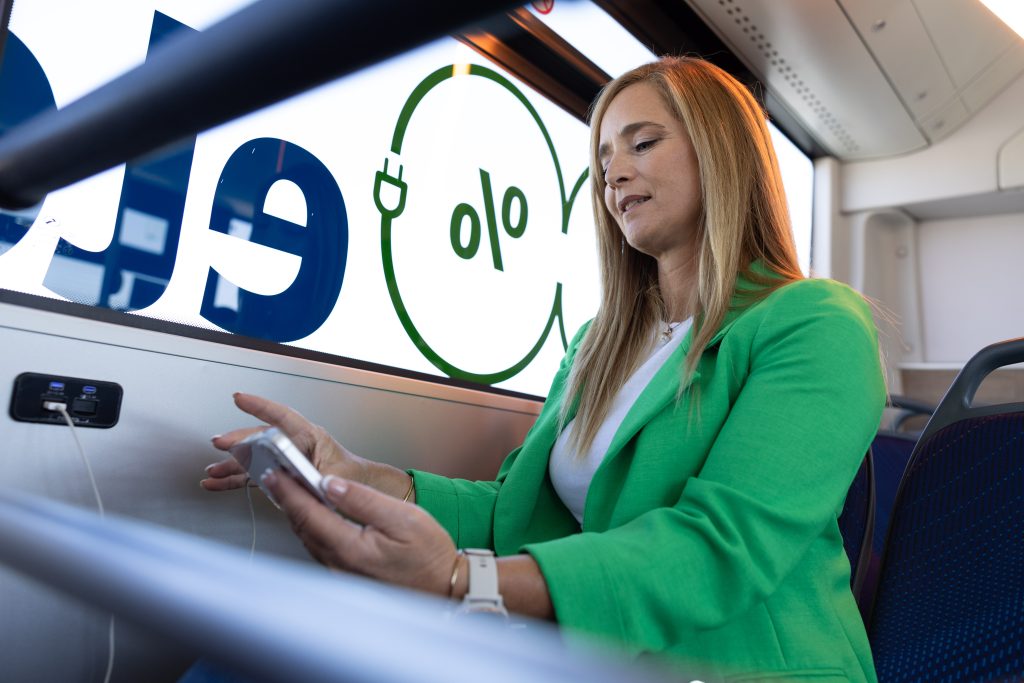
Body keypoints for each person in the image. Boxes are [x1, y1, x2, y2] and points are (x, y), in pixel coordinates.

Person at [203, 56, 885, 681]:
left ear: (722, 156)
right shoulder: (600, 345)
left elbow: (718, 548)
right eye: (603, 158)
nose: (614, 173)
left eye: (643, 144)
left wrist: (464, 582)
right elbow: (518, 512)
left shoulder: (815, 323)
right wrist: (356, 476)